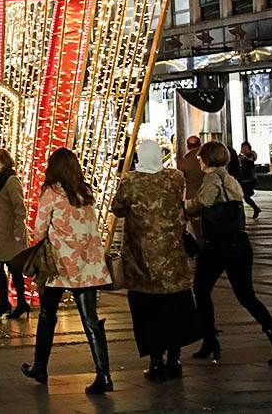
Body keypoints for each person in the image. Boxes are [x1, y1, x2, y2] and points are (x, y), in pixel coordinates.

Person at [187, 141, 272, 364]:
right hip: (240, 243)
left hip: (218, 245)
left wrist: (186, 205)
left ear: (207, 159)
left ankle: (210, 340)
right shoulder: (231, 179)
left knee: (201, 290)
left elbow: (201, 203)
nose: (198, 161)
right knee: (246, 295)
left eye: (200, 158)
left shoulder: (212, 179)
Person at [22, 148, 113, 395]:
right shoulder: (85, 191)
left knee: (47, 315)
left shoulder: (51, 193)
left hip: (60, 265)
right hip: (89, 265)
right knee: (91, 321)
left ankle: (40, 366)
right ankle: (103, 374)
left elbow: (39, 229)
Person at [111, 140, 199, 380]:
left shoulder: (130, 181)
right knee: (174, 311)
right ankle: (175, 358)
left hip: (141, 262)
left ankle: (156, 360)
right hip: (173, 260)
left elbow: (117, 208)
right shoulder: (175, 178)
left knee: (147, 313)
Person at [0, 149, 29, 319]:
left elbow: (20, 208)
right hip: (1, 231)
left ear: (4, 162)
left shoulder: (11, 180)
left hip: (11, 233)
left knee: (13, 268)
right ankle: (8, 302)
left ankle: (17, 303)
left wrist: (18, 231)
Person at [178, 136, 204, 242]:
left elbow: (180, 180)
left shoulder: (185, 161)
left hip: (192, 197)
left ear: (187, 146)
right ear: (200, 144)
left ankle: (200, 249)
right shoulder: (207, 158)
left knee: (196, 227)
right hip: (208, 195)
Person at [237, 141, 261, 218]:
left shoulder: (251, 154)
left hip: (250, 179)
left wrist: (245, 158)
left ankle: (256, 208)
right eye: (243, 147)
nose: (244, 149)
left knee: (246, 196)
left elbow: (252, 159)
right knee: (245, 196)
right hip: (244, 179)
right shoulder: (241, 156)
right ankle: (256, 208)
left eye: (245, 147)